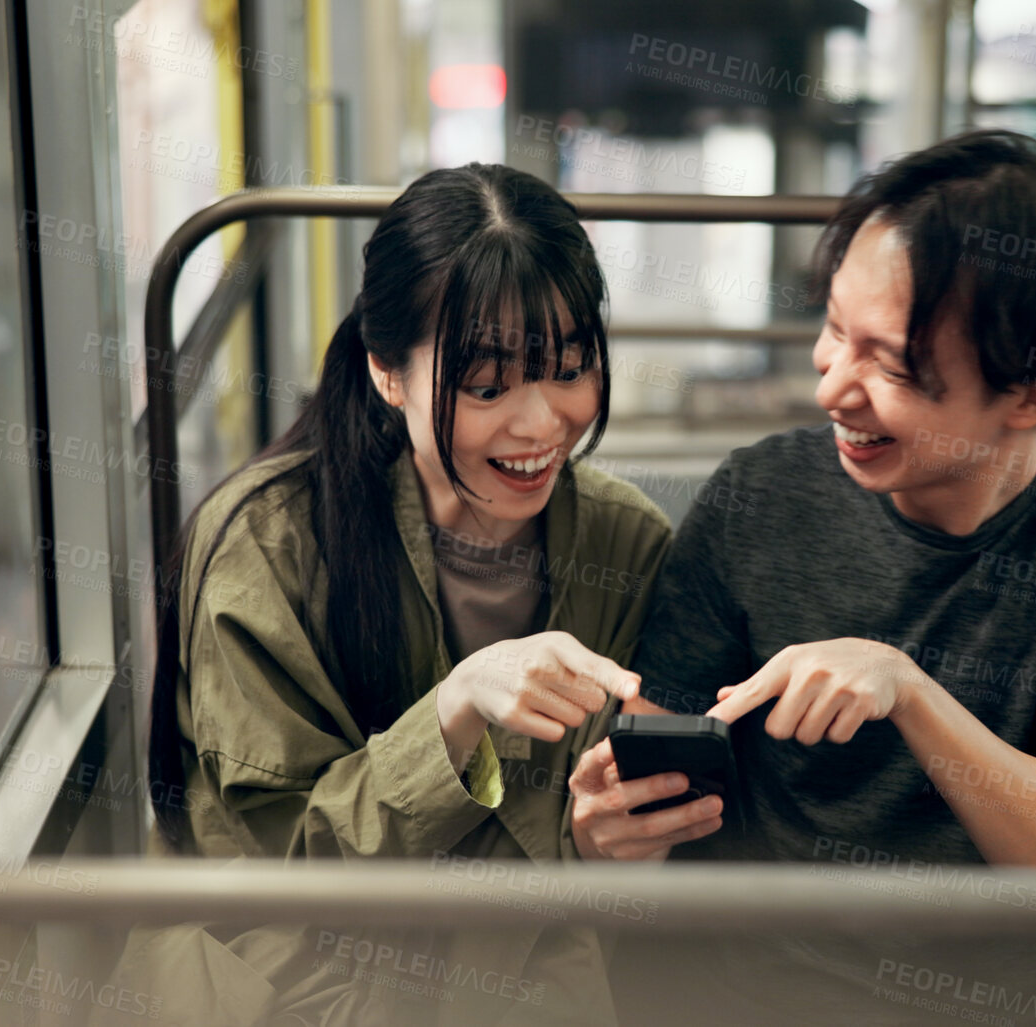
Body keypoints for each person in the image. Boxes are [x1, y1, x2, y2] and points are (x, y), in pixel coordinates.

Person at [571, 129, 1036, 1025]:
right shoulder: (758, 496)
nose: (832, 385)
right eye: (833, 329)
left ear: (1032, 396)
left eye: (893, 365)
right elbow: (658, 782)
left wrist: (910, 692)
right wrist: (610, 835)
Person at [104, 163, 673, 1027]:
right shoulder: (266, 544)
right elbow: (271, 869)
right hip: (291, 978)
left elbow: (591, 873)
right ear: (387, 372)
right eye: (486, 386)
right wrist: (453, 712)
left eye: (567, 367)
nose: (540, 421)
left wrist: (606, 846)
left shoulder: (625, 544)